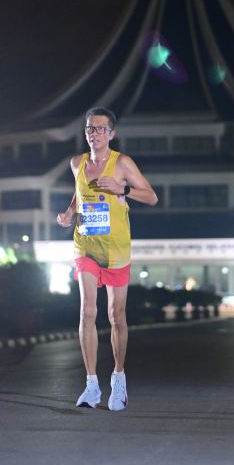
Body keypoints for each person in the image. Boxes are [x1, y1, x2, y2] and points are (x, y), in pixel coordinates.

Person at [57, 107, 158, 411]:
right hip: (86, 246)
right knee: (87, 311)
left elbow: (151, 196)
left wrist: (122, 188)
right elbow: (79, 194)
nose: (95, 134)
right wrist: (69, 213)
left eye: (101, 129)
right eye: (90, 128)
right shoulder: (77, 163)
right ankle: (91, 385)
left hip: (116, 250)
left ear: (112, 133)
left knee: (116, 316)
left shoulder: (122, 163)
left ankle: (118, 378)